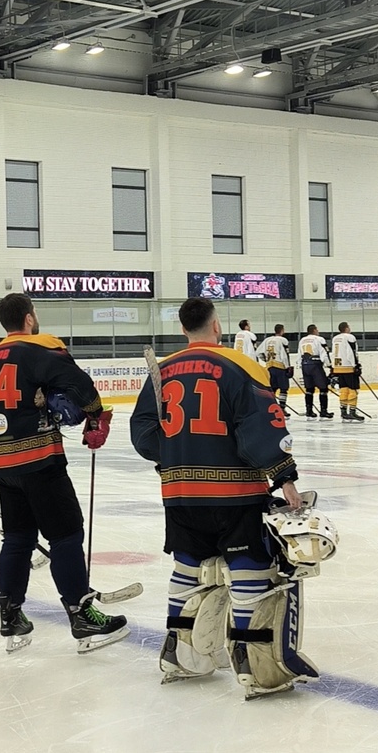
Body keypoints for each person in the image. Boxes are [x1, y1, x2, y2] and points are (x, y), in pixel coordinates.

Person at [130, 297, 315, 700]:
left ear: (183, 330)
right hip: (235, 493)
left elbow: (143, 431)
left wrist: (176, 454)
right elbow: (260, 427)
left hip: (178, 492)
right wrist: (284, 475)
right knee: (250, 567)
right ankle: (256, 665)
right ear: (217, 326)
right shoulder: (241, 364)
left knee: (189, 566)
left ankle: (182, 656)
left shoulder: (162, 370)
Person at [0, 293, 125, 652]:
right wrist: (95, 416)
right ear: (29, 318)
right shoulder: (42, 347)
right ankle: (81, 614)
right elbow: (81, 384)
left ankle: (11, 616)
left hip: (4, 462)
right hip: (41, 459)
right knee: (65, 535)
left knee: (17, 538)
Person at [331, 322, 364, 422]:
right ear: (346, 328)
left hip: (338, 367)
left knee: (344, 390)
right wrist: (355, 365)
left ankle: (344, 412)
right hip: (348, 367)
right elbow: (351, 352)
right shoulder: (350, 337)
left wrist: (333, 366)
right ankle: (352, 411)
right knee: (353, 390)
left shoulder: (335, 338)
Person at [298, 325, 332, 419]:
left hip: (305, 364)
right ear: (314, 330)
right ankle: (323, 411)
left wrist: (299, 365)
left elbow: (299, 353)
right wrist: (329, 365)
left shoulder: (302, 340)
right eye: (317, 329)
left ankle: (309, 410)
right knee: (323, 388)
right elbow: (324, 353)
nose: (318, 331)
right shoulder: (319, 339)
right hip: (315, 364)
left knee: (309, 389)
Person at [258, 324, 292, 412]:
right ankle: (281, 408)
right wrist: (288, 367)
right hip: (280, 366)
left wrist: (266, 360)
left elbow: (258, 352)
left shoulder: (267, 340)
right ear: (282, 330)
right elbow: (284, 355)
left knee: (273, 388)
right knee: (283, 389)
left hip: (270, 367)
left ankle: (271, 407)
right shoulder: (283, 340)